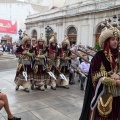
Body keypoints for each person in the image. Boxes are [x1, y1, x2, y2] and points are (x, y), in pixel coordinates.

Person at [79, 21, 120, 120]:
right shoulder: (99, 56)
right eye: (113, 39)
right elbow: (96, 77)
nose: (116, 42)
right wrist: (114, 80)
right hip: (104, 94)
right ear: (107, 41)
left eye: (117, 39)